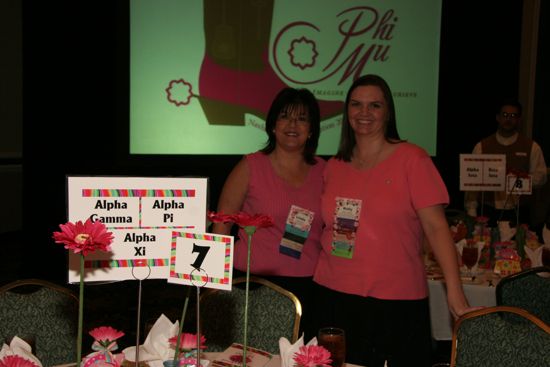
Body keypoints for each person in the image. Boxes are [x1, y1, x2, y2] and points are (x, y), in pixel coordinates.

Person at [312, 74, 480, 367]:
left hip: (395, 302)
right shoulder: (334, 166)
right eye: (356, 104)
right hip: (333, 295)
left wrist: (455, 291)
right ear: (347, 111)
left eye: (374, 105)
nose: (364, 113)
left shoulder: (412, 159)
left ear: (387, 112)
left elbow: (436, 227)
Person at [212, 87, 325, 340]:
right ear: (273, 125)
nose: (292, 124)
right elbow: (221, 227)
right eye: (285, 116)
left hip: (307, 289)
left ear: (312, 129)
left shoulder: (326, 172)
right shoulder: (250, 166)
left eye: (302, 118)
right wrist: (214, 289)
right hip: (249, 287)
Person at [464, 99, 547, 227]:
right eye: (505, 115)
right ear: (498, 117)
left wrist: (514, 179)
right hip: (488, 212)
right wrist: (471, 210)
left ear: (519, 119)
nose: (508, 119)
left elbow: (541, 178)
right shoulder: (481, 146)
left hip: (520, 212)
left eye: (513, 116)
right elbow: (472, 184)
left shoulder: (532, 147)